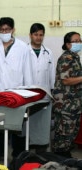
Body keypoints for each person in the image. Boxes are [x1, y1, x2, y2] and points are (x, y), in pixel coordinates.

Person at [0, 17, 33, 162]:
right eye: (1, 30)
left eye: (7, 29)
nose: (4, 32)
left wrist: (28, 92)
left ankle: (18, 154)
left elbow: (27, 70)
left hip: (17, 92)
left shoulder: (23, 47)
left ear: (13, 30)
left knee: (17, 124)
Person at [52, 31, 82, 158]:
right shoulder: (66, 58)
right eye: (76, 41)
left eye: (80, 40)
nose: (79, 43)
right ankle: (60, 156)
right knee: (64, 131)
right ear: (68, 44)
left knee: (72, 130)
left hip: (74, 102)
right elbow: (66, 80)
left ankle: (65, 153)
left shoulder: (75, 57)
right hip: (65, 103)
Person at [26, 23, 55, 153]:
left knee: (42, 125)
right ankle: (24, 152)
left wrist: (52, 90)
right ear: (30, 35)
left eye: (41, 34)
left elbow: (52, 73)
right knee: (26, 124)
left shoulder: (48, 52)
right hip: (27, 94)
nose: (38, 37)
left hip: (44, 94)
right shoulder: (23, 51)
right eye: (36, 34)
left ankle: (41, 152)